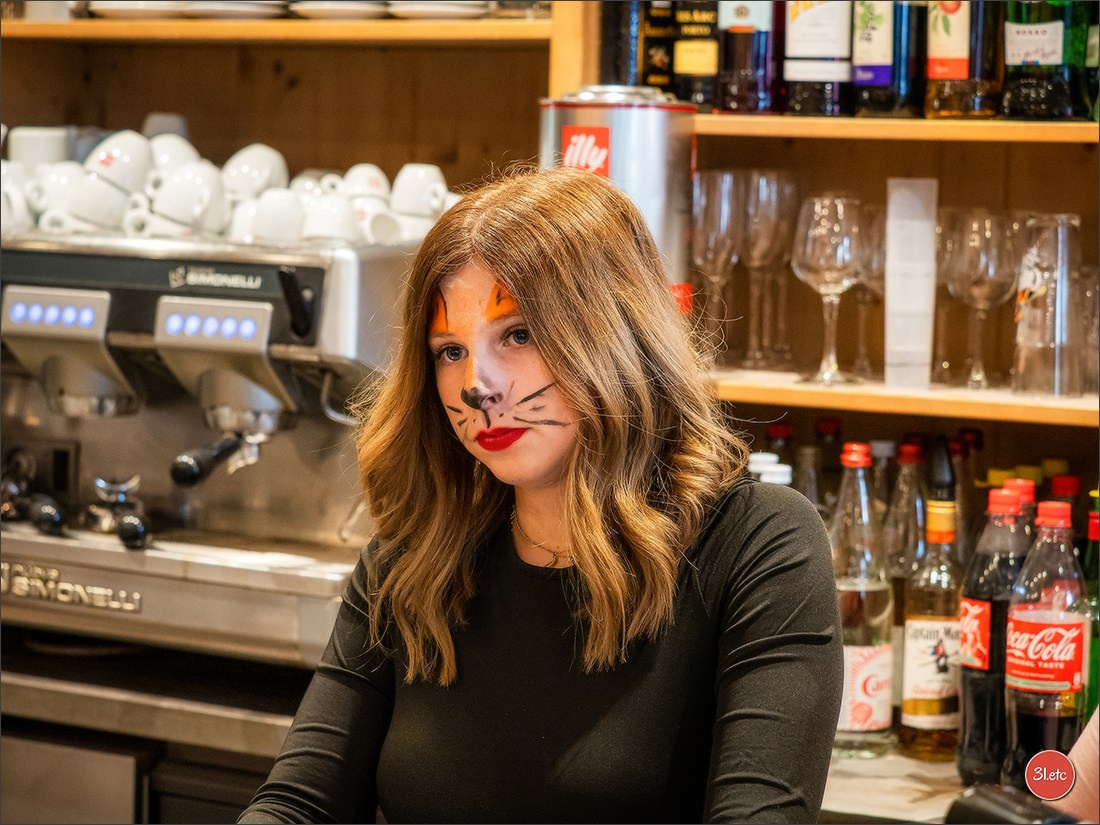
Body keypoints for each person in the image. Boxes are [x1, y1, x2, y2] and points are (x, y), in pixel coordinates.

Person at [238, 167, 843, 824]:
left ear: (617, 332)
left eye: (518, 334)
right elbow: (298, 802)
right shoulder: (415, 558)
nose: (479, 386)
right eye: (449, 351)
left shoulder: (758, 544)